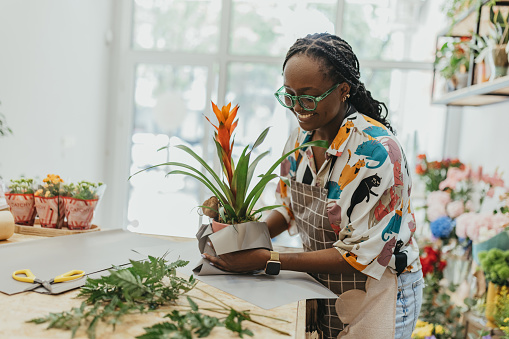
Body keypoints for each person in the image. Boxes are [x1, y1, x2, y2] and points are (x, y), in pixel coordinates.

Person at [203, 32, 423, 339]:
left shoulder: (376, 151)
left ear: (343, 90)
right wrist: (242, 240)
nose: (298, 107)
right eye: (289, 96)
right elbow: (290, 208)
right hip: (323, 282)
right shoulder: (299, 139)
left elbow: (361, 255)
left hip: (379, 289)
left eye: (308, 97)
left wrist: (266, 260)